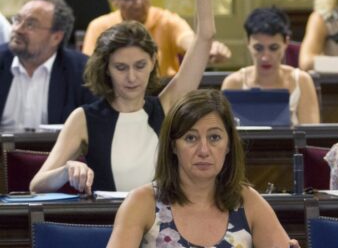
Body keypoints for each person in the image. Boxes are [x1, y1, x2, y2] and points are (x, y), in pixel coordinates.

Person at [30, 0, 216, 194]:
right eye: (121, 67)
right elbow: (36, 185)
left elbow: (205, 34)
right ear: (106, 68)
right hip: (109, 226)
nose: (132, 77)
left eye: (140, 66)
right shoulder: (83, 118)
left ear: (154, 62)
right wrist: (66, 171)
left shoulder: (166, 105)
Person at [107, 89, 293, 247]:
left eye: (214, 138)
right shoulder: (142, 202)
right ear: (173, 146)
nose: (204, 151)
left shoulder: (248, 201)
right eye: (190, 138)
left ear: (228, 145)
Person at [81, 0, 231, 77]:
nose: (137, 3)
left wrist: (208, 49)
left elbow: (188, 41)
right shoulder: (100, 27)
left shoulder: (167, 21)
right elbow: (89, 70)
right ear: (115, 0)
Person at [0, 0, 96, 129]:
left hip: (55, 150)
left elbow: (94, 129)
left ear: (56, 37)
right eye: (17, 20)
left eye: (30, 25)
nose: (17, 29)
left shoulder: (82, 72)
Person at [221, 7, 320, 125]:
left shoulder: (301, 81)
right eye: (258, 48)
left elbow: (311, 137)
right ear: (248, 43)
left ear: (286, 43)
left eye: (273, 48)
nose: (265, 57)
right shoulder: (233, 84)